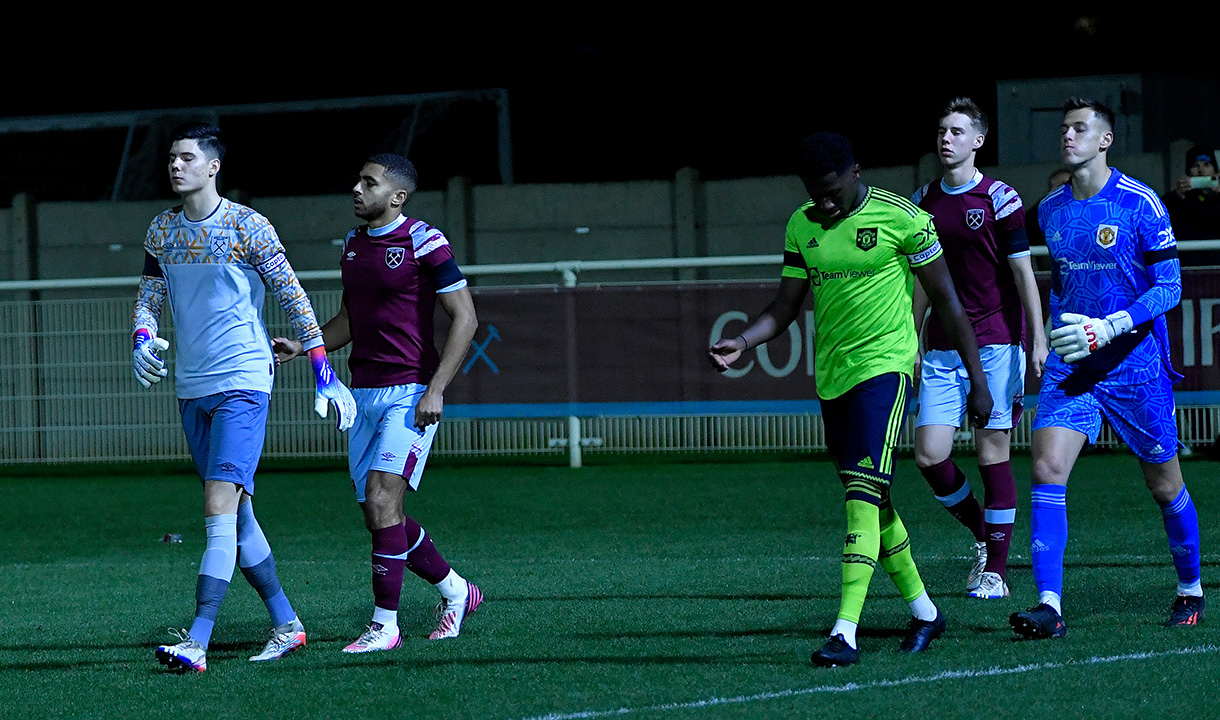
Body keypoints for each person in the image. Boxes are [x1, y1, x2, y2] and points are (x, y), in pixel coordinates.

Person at [708, 132, 993, 667]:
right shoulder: (801, 224)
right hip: (833, 380)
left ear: (856, 171)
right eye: (815, 192)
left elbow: (950, 301)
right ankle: (927, 613)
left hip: (885, 371)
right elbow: (786, 304)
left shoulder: (903, 218)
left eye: (833, 189)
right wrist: (744, 342)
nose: (824, 201)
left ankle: (845, 631)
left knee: (861, 495)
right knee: (876, 502)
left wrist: (977, 381)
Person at [133, 122, 358, 672]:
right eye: (172, 157)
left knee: (216, 510)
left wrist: (322, 366)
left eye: (187, 157)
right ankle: (287, 624)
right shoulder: (161, 230)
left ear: (213, 167)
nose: (176, 165)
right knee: (240, 514)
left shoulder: (247, 226)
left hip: (243, 380)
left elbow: (293, 297)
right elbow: (148, 297)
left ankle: (198, 640)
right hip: (192, 385)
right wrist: (141, 337)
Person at [1010, 97, 1204, 639]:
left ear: (1105, 139)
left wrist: (1111, 326)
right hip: (1075, 362)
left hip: (1134, 364)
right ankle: (1050, 606)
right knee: (1047, 469)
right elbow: (1063, 285)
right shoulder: (1050, 209)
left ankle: (1190, 588)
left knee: (1164, 486)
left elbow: (1170, 287)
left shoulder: (1141, 203)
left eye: (1078, 129)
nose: (1067, 138)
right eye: (1064, 130)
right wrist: (1046, 335)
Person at [273, 153, 482, 652]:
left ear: (397, 197)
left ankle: (384, 626)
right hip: (360, 392)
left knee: (385, 500)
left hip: (409, 391)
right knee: (377, 512)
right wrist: (307, 346)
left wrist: (435, 389)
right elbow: (351, 317)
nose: (357, 189)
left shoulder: (423, 240)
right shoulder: (352, 245)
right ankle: (457, 592)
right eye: (359, 181)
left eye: (369, 183)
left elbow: (466, 319)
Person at [910, 98, 1047, 601]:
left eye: (957, 131)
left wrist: (1036, 337)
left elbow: (1022, 273)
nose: (946, 138)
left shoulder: (1000, 198)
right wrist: (912, 332)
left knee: (992, 452)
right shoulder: (922, 200)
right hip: (944, 347)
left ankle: (997, 570)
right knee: (929, 455)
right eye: (942, 130)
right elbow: (924, 279)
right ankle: (982, 536)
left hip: (995, 343)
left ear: (978, 140)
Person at [1162, 145, 1220, 260]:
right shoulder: (1178, 198)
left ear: (1215, 170)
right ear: (1188, 172)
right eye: (1195, 166)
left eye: (1207, 165)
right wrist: (1178, 196)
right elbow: (1163, 218)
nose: (1201, 170)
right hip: (1190, 263)